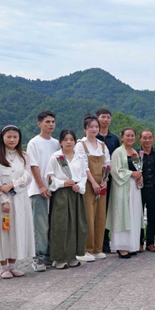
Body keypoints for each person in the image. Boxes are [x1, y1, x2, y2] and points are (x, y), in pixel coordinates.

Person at [0, 125, 35, 278]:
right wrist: (4, 201)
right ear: (2, 138)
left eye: (15, 136)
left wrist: (12, 185)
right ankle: (3, 267)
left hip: (20, 199)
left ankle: (13, 265)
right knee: (4, 230)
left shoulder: (24, 156)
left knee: (17, 230)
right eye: (9, 136)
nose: (12, 139)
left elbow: (28, 177)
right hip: (4, 202)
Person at [45, 130, 88, 269]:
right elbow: (49, 177)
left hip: (76, 194)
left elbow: (84, 176)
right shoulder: (56, 157)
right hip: (61, 194)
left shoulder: (80, 157)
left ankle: (72, 255)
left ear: (75, 141)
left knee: (77, 224)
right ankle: (59, 258)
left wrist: (79, 186)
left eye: (71, 139)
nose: (69, 142)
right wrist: (62, 183)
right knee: (61, 225)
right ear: (60, 142)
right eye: (65, 139)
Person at [26, 110, 60, 272]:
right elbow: (33, 166)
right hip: (38, 190)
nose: (51, 124)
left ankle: (50, 255)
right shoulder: (34, 143)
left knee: (53, 223)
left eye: (53, 121)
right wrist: (41, 186)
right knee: (40, 225)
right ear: (39, 124)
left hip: (55, 188)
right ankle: (38, 257)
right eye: (47, 122)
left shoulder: (56, 143)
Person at [75, 114, 110, 262]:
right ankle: (86, 249)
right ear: (85, 128)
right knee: (88, 216)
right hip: (87, 184)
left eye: (96, 127)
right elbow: (83, 166)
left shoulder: (102, 145)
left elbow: (107, 164)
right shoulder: (80, 145)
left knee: (100, 216)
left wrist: (104, 181)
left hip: (101, 183)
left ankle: (97, 248)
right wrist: (94, 183)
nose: (94, 129)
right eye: (91, 127)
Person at [107, 128, 143, 258]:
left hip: (134, 188)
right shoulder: (118, 152)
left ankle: (132, 245)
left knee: (133, 215)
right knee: (122, 215)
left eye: (132, 135)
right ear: (122, 137)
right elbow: (114, 170)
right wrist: (131, 174)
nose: (130, 138)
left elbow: (138, 169)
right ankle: (121, 247)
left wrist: (140, 177)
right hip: (121, 188)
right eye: (127, 135)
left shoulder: (135, 153)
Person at [96, 108, 120, 254]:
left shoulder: (114, 139)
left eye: (108, 117)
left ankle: (106, 242)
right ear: (97, 119)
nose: (106, 119)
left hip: (111, 180)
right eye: (103, 117)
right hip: (95, 180)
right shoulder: (93, 137)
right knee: (97, 211)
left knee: (108, 210)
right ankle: (97, 243)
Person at [138, 129, 155, 252]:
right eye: (144, 138)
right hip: (139, 189)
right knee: (138, 216)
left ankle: (150, 242)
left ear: (153, 138)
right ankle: (139, 242)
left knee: (153, 217)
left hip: (154, 188)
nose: (147, 140)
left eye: (149, 137)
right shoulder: (135, 154)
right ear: (140, 139)